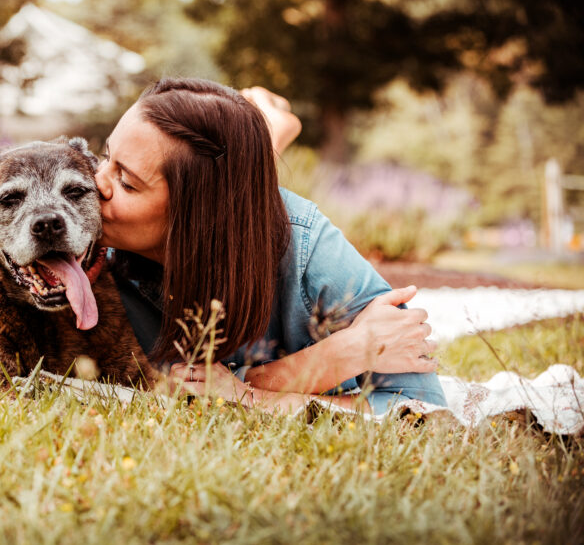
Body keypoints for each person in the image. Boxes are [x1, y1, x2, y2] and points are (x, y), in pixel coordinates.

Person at [93, 77, 446, 414]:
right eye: (105, 156)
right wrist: (332, 357)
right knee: (233, 179)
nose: (94, 183)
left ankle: (267, 127)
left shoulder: (311, 248)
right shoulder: (83, 231)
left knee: (238, 188)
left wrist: (248, 395)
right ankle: (268, 125)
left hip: (227, 220)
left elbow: (422, 410)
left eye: (125, 181)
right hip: (217, 208)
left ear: (193, 215)